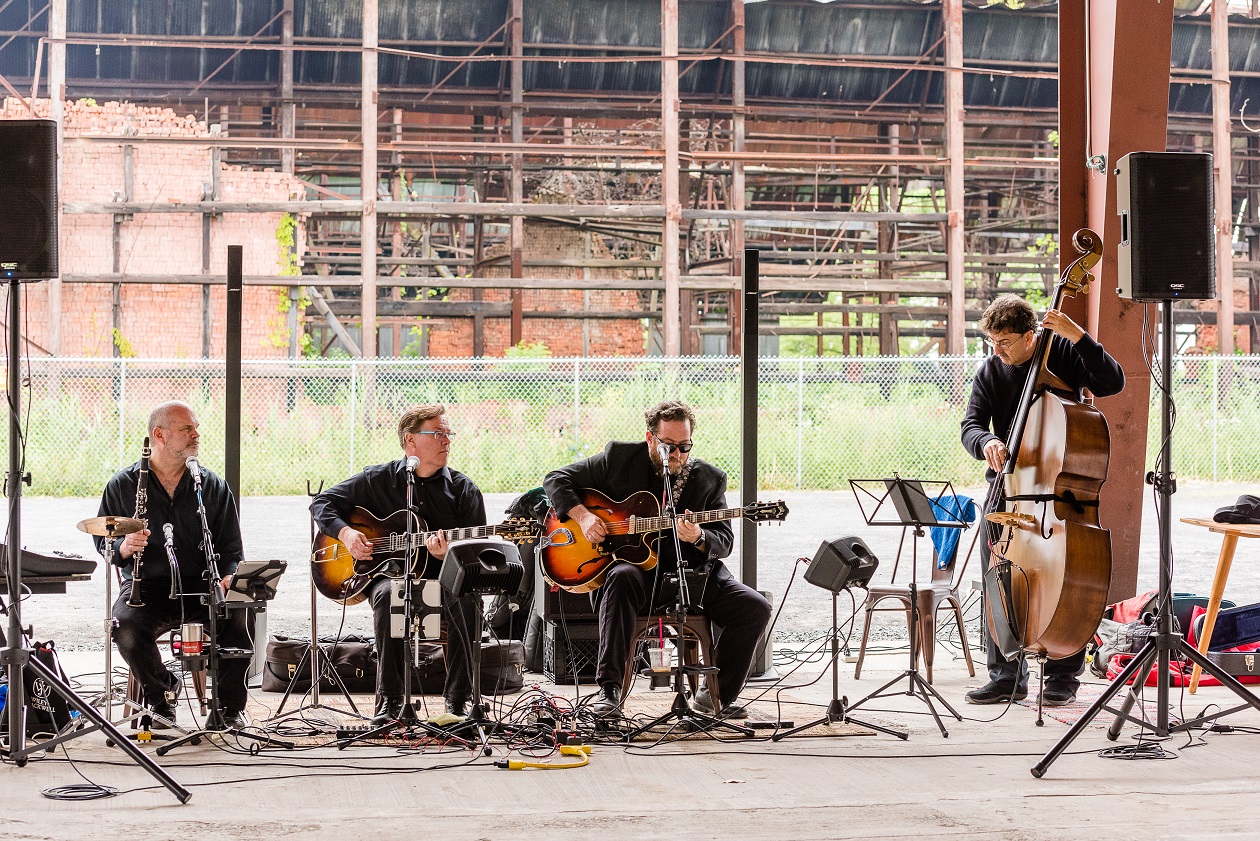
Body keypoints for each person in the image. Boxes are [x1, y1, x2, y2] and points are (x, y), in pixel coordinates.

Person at [543, 400, 772, 718]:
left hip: (691, 574)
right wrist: (582, 517)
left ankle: (715, 697)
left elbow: (725, 542)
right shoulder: (619, 458)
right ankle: (608, 693)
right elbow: (555, 478)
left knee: (755, 608)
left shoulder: (709, 479)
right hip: (637, 573)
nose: (677, 455)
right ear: (650, 439)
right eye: (668, 446)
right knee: (621, 577)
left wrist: (698, 537)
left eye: (684, 447)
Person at [961, 294, 1126, 706]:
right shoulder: (991, 372)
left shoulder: (1065, 354)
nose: (997, 351)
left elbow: (1113, 383)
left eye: (1005, 342)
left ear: (1030, 335)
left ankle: (1062, 675)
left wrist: (1081, 336)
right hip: (1010, 489)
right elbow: (971, 425)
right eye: (992, 343)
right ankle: (1006, 676)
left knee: (1066, 578)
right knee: (997, 579)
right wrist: (987, 442)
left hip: (1059, 493)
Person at [311, 404, 484, 725]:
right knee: (391, 593)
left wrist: (450, 557)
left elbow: (475, 555)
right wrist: (346, 534)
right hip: (387, 579)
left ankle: (458, 703)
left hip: (445, 581)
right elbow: (322, 504)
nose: (447, 440)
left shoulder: (463, 490)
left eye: (449, 434)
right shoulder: (377, 480)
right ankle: (390, 702)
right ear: (410, 440)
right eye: (438, 433)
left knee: (469, 600)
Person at [96, 401, 251, 729]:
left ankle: (228, 708)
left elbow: (231, 548)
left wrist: (228, 576)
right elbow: (103, 543)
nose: (197, 435)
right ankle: (162, 696)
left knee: (240, 614)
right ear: (159, 435)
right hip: (146, 587)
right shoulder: (122, 485)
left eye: (195, 428)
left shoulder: (211, 485)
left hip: (202, 583)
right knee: (125, 628)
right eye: (186, 429)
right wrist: (124, 546)